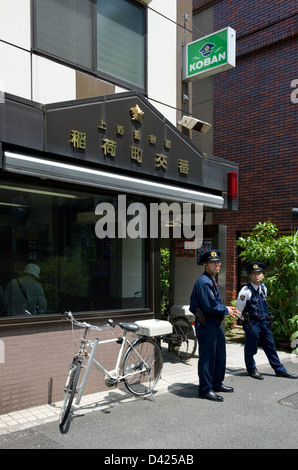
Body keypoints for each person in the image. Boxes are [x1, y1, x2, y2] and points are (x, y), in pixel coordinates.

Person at [189, 250, 240, 401]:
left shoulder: (210, 280)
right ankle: (205, 389)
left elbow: (213, 303)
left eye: (218, 262)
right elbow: (209, 305)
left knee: (219, 353)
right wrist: (226, 309)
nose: (217, 265)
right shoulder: (204, 282)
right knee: (207, 356)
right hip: (206, 323)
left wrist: (224, 309)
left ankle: (216, 382)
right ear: (205, 265)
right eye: (213, 262)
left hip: (213, 323)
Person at [236, 262, 297, 380]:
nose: (257, 276)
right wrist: (247, 323)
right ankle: (251, 369)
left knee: (270, 346)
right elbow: (239, 310)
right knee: (251, 347)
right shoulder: (245, 291)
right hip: (252, 323)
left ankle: (279, 369)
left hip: (264, 322)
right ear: (250, 275)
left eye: (259, 273)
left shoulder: (263, 288)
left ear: (263, 275)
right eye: (254, 274)